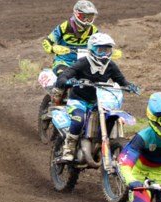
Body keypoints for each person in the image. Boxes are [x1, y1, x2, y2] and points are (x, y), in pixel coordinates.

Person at [53, 33, 139, 162]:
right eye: (101, 50)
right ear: (91, 50)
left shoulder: (111, 66)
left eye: (107, 50)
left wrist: (130, 86)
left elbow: (121, 81)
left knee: (110, 117)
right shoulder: (82, 63)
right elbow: (65, 75)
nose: (105, 54)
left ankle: (102, 143)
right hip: (79, 101)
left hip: (99, 101)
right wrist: (68, 81)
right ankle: (68, 148)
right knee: (79, 120)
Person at [42, 0, 98, 76]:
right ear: (76, 14)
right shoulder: (64, 27)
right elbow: (46, 41)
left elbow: (100, 44)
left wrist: (108, 51)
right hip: (64, 62)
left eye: (90, 17)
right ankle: (59, 88)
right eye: (84, 17)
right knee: (64, 78)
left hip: (84, 63)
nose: (87, 21)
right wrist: (52, 49)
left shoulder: (93, 30)